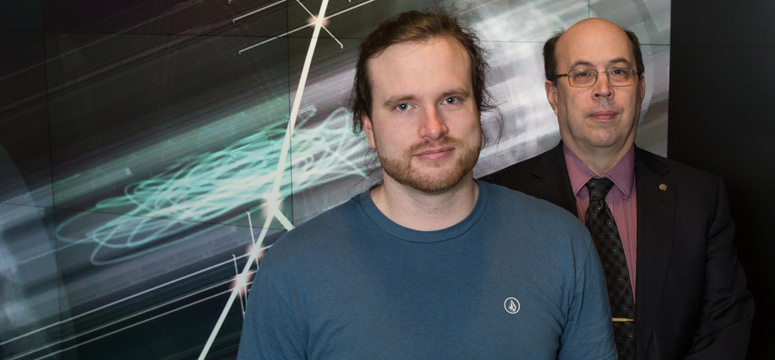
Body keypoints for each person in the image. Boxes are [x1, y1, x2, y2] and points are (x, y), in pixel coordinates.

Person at [237, 10, 616, 359]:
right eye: (404, 105)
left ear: (477, 110)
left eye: (451, 99)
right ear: (369, 127)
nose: (433, 127)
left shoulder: (562, 245)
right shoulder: (294, 270)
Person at [482, 18, 755, 360]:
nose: (603, 89)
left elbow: (724, 327)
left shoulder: (700, 197)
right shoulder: (500, 197)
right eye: (583, 74)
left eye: (619, 72)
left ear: (640, 87)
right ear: (553, 95)